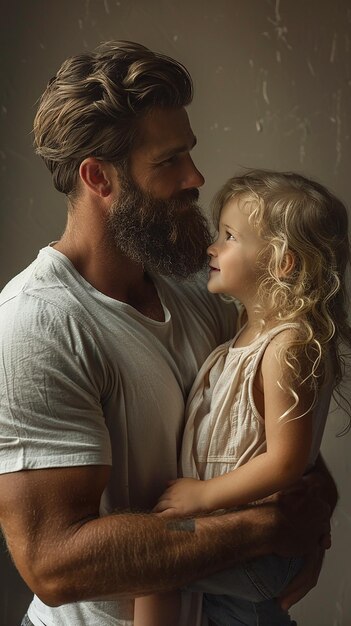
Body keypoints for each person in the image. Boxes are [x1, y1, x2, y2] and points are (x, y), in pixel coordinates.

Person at [0, 41, 336, 626]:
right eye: (169, 162)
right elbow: (53, 565)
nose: (196, 177)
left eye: (191, 154)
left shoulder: (196, 284)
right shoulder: (36, 323)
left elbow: (272, 432)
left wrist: (317, 505)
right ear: (98, 177)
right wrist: (271, 526)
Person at [135, 169, 351, 626]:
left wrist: (203, 496)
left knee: (153, 566)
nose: (213, 247)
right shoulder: (248, 332)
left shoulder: (287, 345)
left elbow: (287, 462)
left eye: (230, 237)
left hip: (256, 549)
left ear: (281, 263)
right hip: (249, 544)